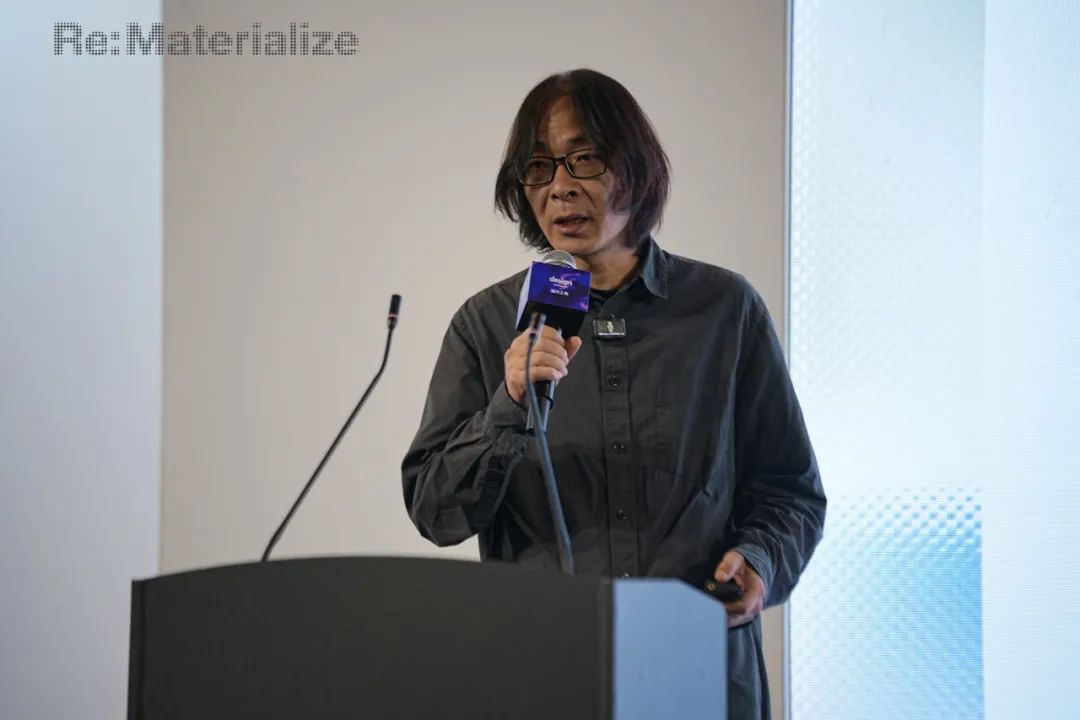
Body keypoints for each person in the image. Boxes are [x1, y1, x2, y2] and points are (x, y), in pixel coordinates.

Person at [401, 68, 825, 720]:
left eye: (585, 159)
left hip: (696, 666)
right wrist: (508, 406)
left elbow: (788, 488)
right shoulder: (486, 325)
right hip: (542, 674)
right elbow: (437, 513)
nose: (560, 186)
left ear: (635, 167)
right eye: (538, 167)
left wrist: (760, 560)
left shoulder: (724, 310)